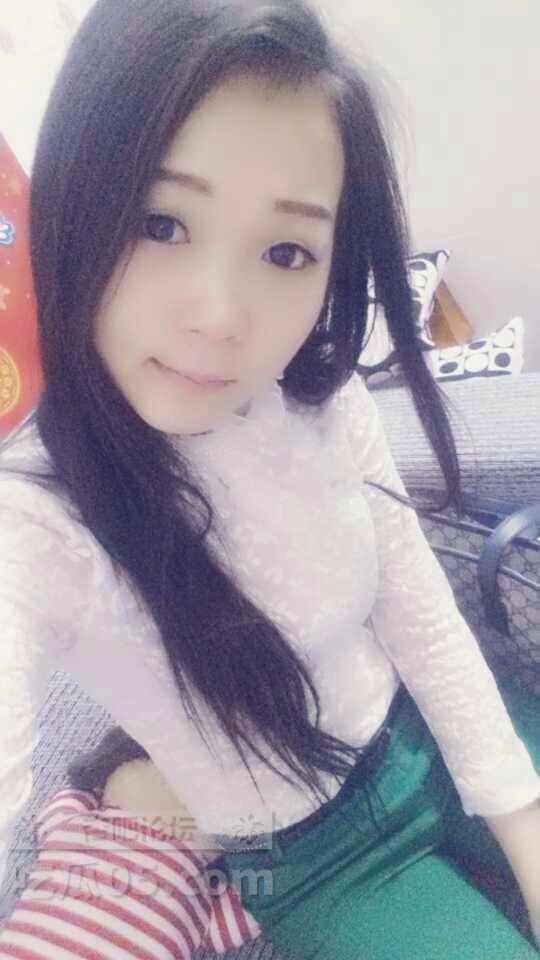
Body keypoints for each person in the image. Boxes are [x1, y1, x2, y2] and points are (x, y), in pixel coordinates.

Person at [0, 0, 539, 957]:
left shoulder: (320, 402)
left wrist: (522, 824)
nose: (220, 316)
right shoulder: (37, 523)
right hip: (320, 859)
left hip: (438, 732)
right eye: (162, 222)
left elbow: (420, 614)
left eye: (287, 251)